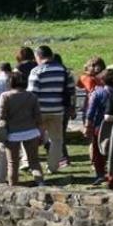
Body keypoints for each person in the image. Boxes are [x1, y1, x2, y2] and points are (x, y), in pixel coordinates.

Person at [27, 46, 73, 175]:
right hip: (57, 110)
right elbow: (71, 91)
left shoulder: (37, 71)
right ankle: (52, 167)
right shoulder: (65, 71)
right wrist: (70, 108)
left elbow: (32, 93)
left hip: (40, 111)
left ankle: (33, 166)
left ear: (38, 56)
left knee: (33, 139)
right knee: (57, 140)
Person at [0, 70, 45, 186]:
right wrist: (41, 131)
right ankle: (41, 183)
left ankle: (13, 186)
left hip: (12, 133)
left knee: (13, 163)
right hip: (31, 132)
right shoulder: (32, 96)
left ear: (11, 82)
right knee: (34, 161)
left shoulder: (5, 96)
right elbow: (38, 116)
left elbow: (1, 116)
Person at [84, 68, 113, 185]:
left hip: (100, 126)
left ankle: (100, 174)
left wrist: (87, 126)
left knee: (98, 152)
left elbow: (91, 111)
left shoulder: (98, 93)